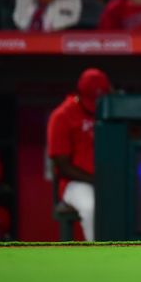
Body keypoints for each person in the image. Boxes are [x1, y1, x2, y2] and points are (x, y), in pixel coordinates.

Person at [47, 68, 113, 241]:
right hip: (77, 184)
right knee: (91, 206)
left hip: (112, 181)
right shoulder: (62, 116)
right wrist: (97, 180)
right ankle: (99, 259)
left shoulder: (113, 110)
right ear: (80, 93)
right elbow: (62, 166)